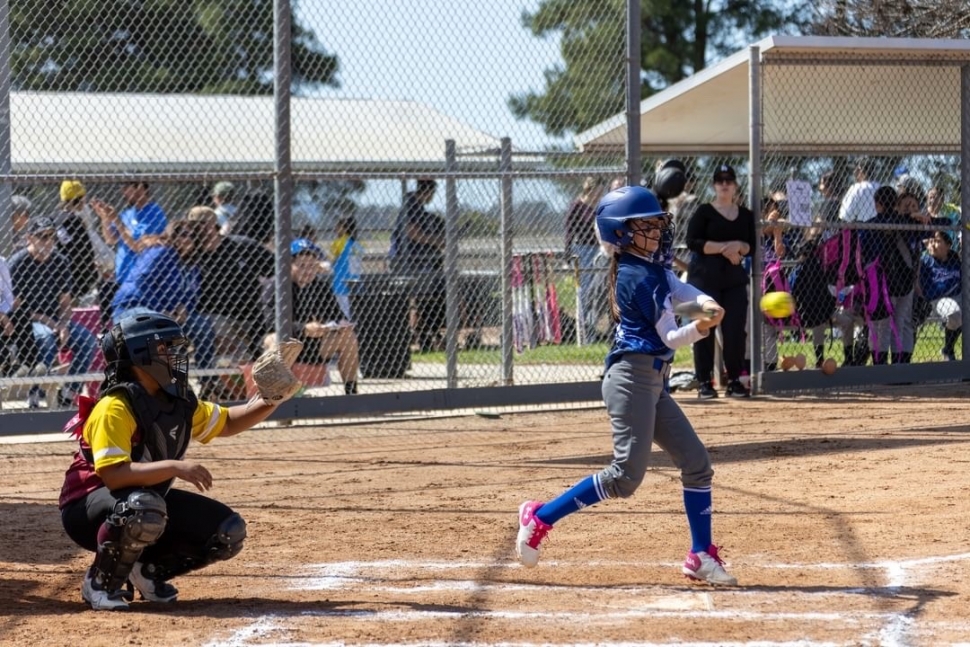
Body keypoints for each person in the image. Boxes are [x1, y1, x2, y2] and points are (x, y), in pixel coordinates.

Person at [515, 185, 736, 586]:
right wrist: (701, 327)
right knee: (625, 477)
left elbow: (682, 293)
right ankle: (540, 516)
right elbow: (670, 337)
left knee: (696, 463)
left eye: (656, 224)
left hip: (652, 380)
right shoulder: (635, 276)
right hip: (631, 379)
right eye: (646, 227)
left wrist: (706, 304)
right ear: (621, 233)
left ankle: (700, 554)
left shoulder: (653, 270)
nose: (656, 232)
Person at [58, 310, 294, 610]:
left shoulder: (175, 401)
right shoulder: (114, 407)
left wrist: (269, 399)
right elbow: (115, 476)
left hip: (142, 500)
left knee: (226, 532)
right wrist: (175, 467)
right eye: (164, 348)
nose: (174, 355)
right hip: (88, 509)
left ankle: (145, 570)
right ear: (139, 355)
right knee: (142, 508)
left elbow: (229, 422)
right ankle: (100, 582)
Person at [110, 219, 218, 396]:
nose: (187, 239)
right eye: (182, 234)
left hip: (167, 314)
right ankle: (171, 384)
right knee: (163, 325)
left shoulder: (192, 267)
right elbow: (140, 284)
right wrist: (164, 310)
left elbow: (191, 296)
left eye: (192, 236)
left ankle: (208, 384)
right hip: (132, 307)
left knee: (202, 325)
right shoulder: (161, 252)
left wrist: (185, 309)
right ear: (173, 235)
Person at [8, 216, 97, 407]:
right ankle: (35, 395)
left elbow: (65, 302)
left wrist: (64, 325)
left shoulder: (60, 261)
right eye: (42, 237)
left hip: (56, 320)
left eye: (52, 237)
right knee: (46, 339)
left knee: (88, 341)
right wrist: (51, 323)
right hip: (27, 321)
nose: (49, 242)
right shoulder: (18, 263)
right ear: (30, 238)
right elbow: (16, 308)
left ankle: (68, 392)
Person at [685, 164, 755, 399]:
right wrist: (726, 248)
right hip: (704, 279)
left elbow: (750, 246)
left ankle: (734, 380)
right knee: (704, 328)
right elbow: (692, 242)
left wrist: (739, 247)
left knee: (735, 330)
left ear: (735, 185)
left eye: (728, 180)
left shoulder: (745, 215)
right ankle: (705, 381)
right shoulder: (704, 211)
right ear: (714, 185)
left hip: (734, 280)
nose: (724, 184)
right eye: (719, 180)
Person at [262, 238, 361, 395]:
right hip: (284, 341)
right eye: (301, 266)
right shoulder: (276, 286)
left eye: (312, 266)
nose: (308, 271)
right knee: (275, 339)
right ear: (289, 265)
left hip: (311, 344)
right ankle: (275, 397)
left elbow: (336, 315)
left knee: (347, 336)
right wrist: (304, 328)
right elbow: (270, 324)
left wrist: (339, 324)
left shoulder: (319, 286)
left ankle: (351, 393)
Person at [184, 206, 274, 366]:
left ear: (214, 224)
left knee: (264, 352)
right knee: (230, 354)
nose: (200, 229)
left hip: (252, 314)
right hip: (217, 317)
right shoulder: (191, 254)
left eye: (204, 224)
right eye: (194, 226)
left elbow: (275, 270)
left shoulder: (242, 245)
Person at [390, 179, 446, 352]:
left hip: (418, 261)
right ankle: (423, 335)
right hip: (407, 262)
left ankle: (427, 335)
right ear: (427, 192)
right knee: (424, 297)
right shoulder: (411, 204)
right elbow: (410, 230)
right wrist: (434, 241)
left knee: (429, 297)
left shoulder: (419, 207)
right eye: (432, 193)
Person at [56, 180, 113, 304]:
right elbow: (84, 253)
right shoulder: (75, 222)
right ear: (79, 199)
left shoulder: (55, 218)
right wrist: (93, 267)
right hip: (77, 282)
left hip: (59, 279)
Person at [565, 176, 607, 343]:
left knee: (599, 291)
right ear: (590, 188)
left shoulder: (601, 206)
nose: (601, 193)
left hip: (601, 249)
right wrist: (567, 252)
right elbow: (569, 229)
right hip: (583, 250)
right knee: (584, 292)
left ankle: (592, 328)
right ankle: (583, 335)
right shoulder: (578, 205)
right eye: (598, 189)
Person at [917, 230, 961, 361]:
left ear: (948, 245)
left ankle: (948, 349)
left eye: (937, 241)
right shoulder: (925, 261)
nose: (932, 245)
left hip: (959, 296)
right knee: (955, 313)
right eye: (930, 241)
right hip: (938, 301)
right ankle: (948, 349)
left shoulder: (955, 259)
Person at [329, 215, 363, 321]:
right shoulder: (356, 244)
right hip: (355, 281)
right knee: (354, 312)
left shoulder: (339, 242)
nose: (335, 229)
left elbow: (331, 260)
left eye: (338, 226)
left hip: (341, 281)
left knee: (343, 313)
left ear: (344, 228)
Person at [838, 159, 879, 223]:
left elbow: (845, 215)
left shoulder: (857, 188)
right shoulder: (880, 187)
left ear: (861, 170)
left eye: (856, 169)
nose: (854, 172)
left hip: (863, 229)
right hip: (881, 228)